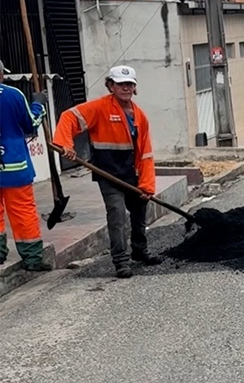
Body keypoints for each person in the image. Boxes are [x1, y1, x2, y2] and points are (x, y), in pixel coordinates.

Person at [53, 65, 162, 278]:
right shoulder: (100, 108)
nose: (126, 88)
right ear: (111, 86)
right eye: (121, 84)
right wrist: (66, 144)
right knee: (117, 214)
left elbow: (146, 154)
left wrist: (147, 185)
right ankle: (121, 261)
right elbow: (68, 117)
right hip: (108, 175)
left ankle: (140, 250)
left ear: (135, 88)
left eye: (129, 84)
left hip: (132, 175)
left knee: (139, 213)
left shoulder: (140, 116)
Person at [0, 59, 51, 271]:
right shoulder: (13, 95)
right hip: (14, 165)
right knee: (22, 211)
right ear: (1, 74)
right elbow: (30, 124)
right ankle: (32, 259)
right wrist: (38, 104)